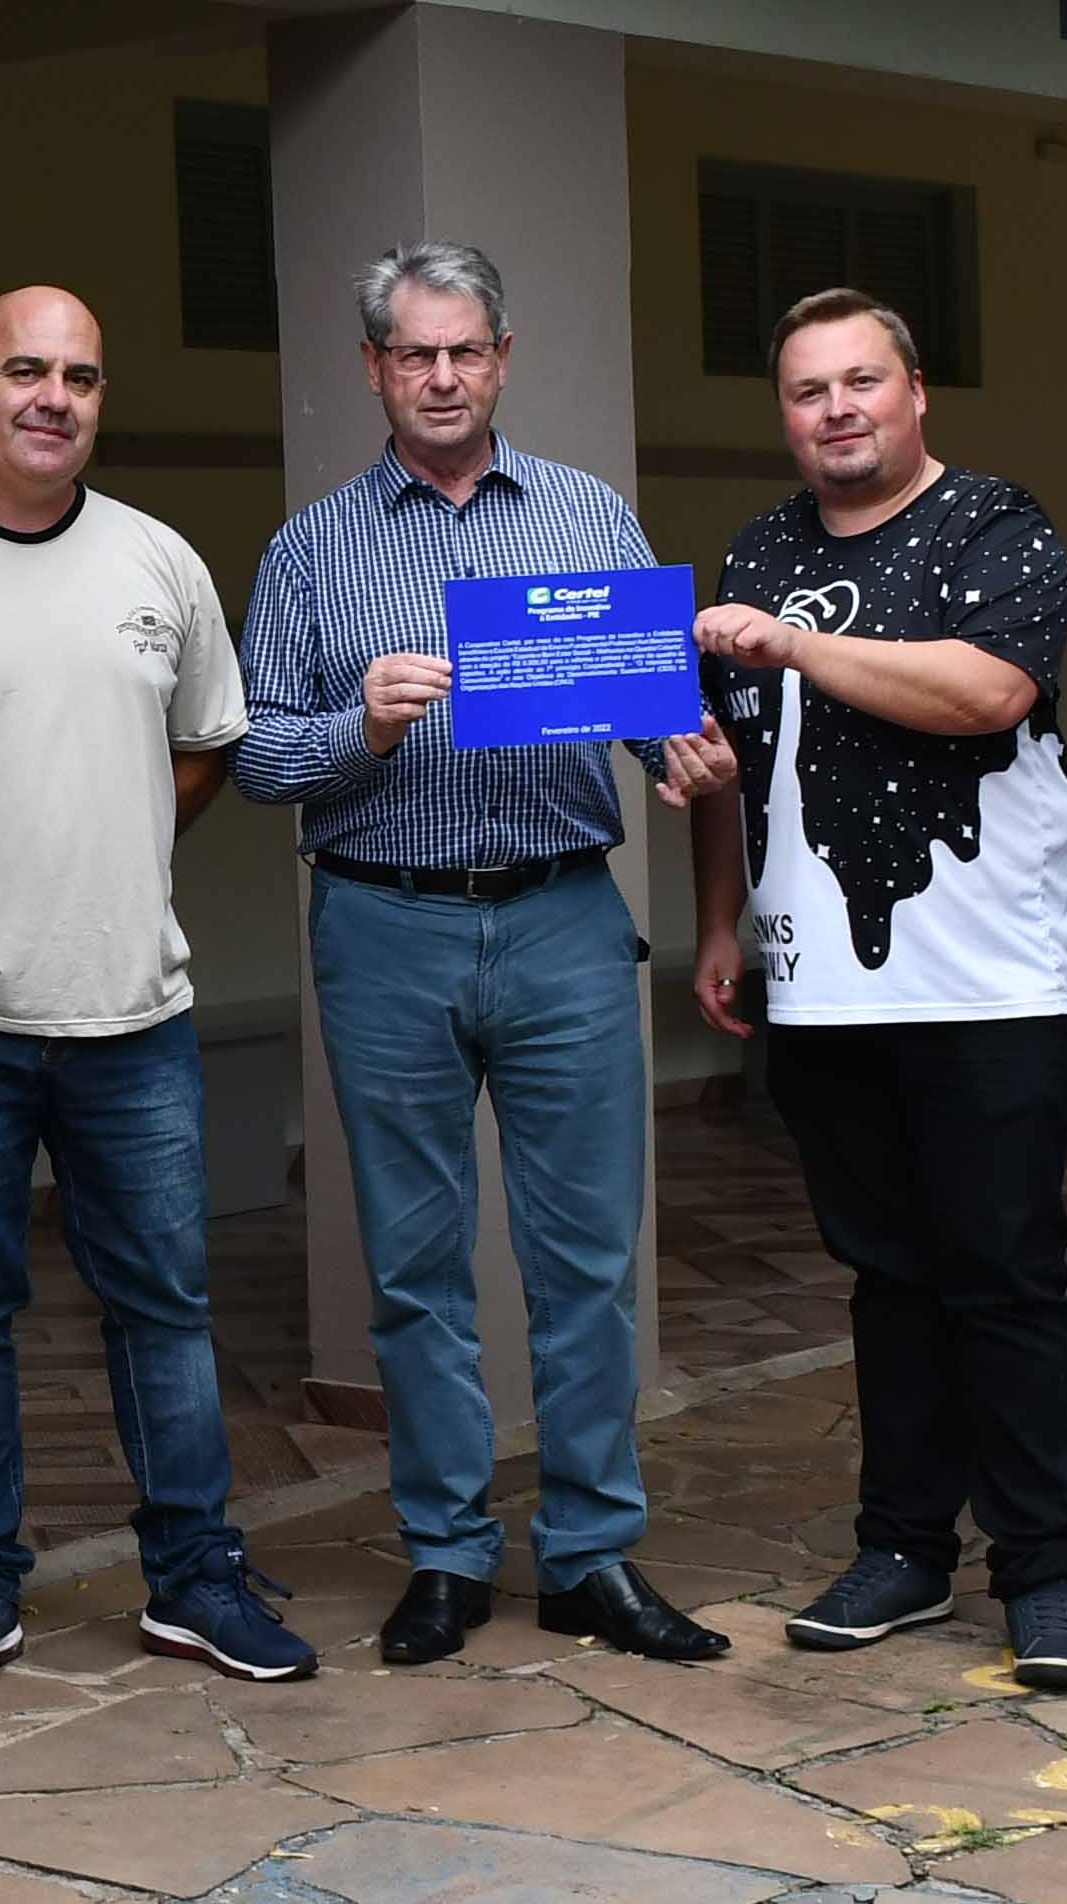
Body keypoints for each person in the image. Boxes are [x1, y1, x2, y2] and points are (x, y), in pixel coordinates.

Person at [234, 242, 742, 1670]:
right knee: (412, 1265)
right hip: (384, 922)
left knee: (589, 1259)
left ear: (503, 357)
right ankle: (446, 1555)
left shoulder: (588, 518)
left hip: (565, 918)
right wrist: (361, 727)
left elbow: (651, 711)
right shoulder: (311, 550)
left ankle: (590, 1555)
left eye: (466, 351)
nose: (443, 377)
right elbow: (260, 758)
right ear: (375, 370)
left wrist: (683, 757)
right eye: (415, 355)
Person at [0, 286, 310, 1696]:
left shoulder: (157, 560)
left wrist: (112, 844)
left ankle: (194, 1576)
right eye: (24, 371)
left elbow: (207, 746)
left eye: (80, 377)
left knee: (164, 1305)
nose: (53, 397)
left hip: (134, 1010)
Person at [679, 289, 1067, 1689]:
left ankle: (1041, 1571)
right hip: (822, 992)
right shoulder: (758, 549)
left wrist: (794, 643)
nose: (838, 409)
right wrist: (718, 919)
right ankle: (906, 1549)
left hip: (988, 983)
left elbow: (988, 693)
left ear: (915, 390)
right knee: (887, 1281)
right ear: (786, 415)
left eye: (862, 381)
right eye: (809, 391)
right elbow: (728, 759)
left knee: (1004, 1278)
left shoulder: (997, 524)